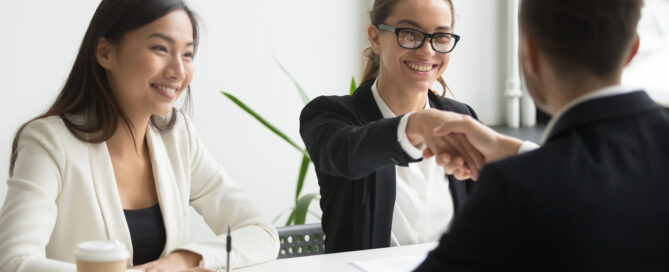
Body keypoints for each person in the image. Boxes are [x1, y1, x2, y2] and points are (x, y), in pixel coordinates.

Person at [0, 1, 278, 271]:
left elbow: (260, 233)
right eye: (160, 48)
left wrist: (185, 259)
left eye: (187, 54)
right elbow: (13, 262)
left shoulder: (178, 136)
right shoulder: (49, 143)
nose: (178, 71)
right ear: (105, 53)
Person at [415, 0, 669, 270]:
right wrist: (517, 152)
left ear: (530, 56)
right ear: (633, 49)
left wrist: (523, 166)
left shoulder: (514, 189)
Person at [299, 0, 494, 253]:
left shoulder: (461, 116)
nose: (427, 50)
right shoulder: (330, 115)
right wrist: (415, 125)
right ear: (376, 38)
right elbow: (346, 154)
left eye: (441, 36)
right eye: (410, 34)